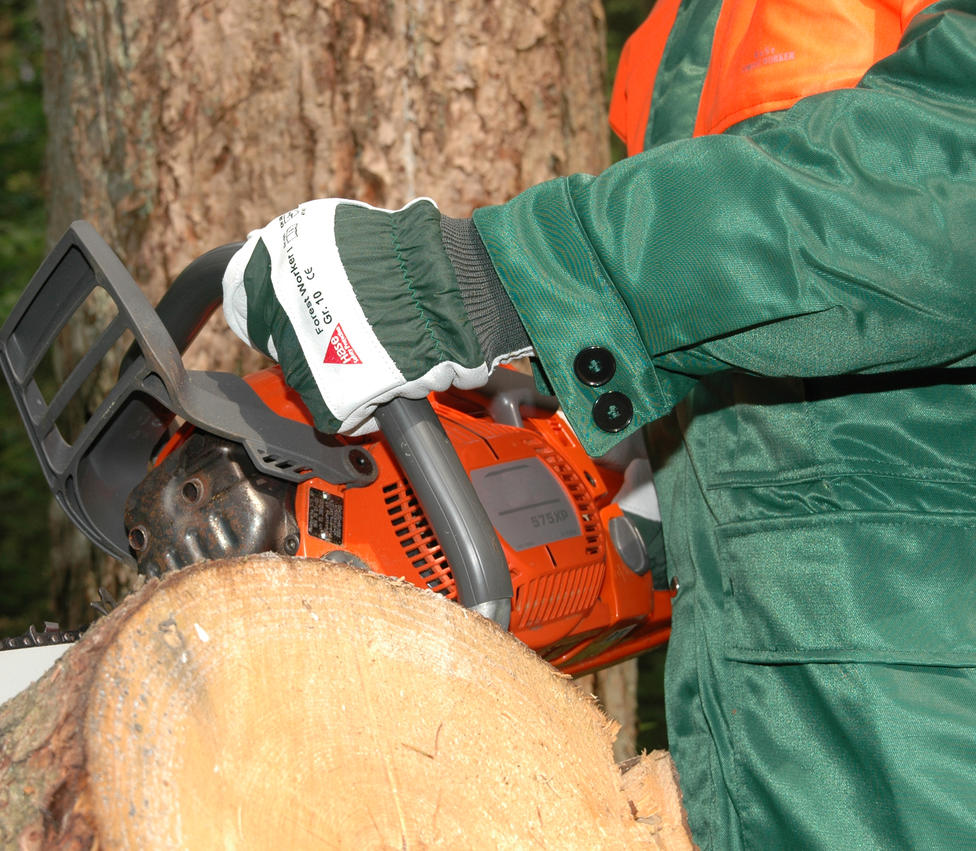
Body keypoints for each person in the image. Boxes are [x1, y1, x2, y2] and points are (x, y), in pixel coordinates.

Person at [221, 0, 976, 847]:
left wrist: (480, 280)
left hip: (930, 740)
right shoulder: (674, 34)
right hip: (784, 728)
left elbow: (943, 179)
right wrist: (680, 470)